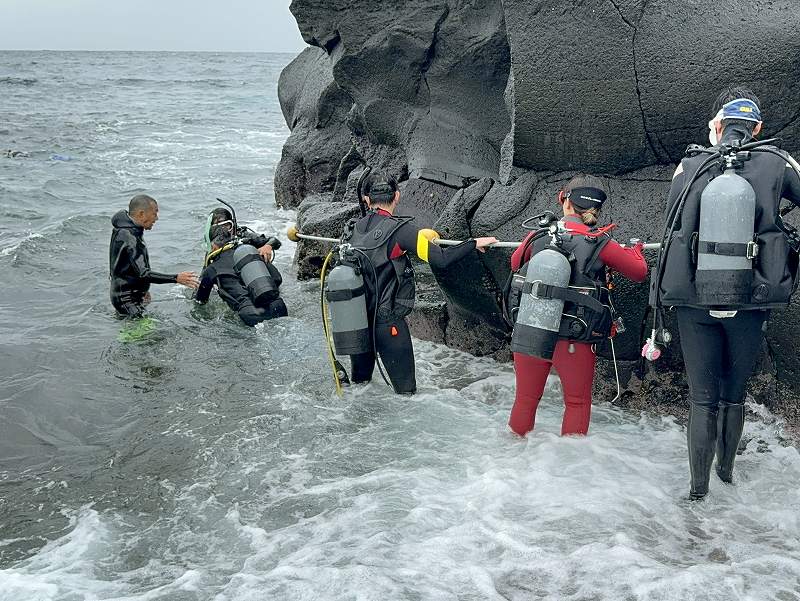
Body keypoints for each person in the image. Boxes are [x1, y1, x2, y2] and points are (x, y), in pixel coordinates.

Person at [649, 86, 800, 499]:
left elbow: (672, 222)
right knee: (734, 393)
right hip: (750, 299)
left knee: (702, 398)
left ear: (717, 125)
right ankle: (727, 476)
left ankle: (697, 495)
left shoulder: (691, 163)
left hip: (693, 298)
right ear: (758, 128)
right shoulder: (777, 162)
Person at [507, 175, 648, 436]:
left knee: (525, 401)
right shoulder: (601, 242)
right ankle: (568, 472)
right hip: (574, 338)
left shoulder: (538, 235)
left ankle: (511, 467)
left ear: (564, 200)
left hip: (531, 328)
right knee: (576, 403)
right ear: (596, 210)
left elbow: (515, 264)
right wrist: (636, 249)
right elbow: (639, 272)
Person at [341, 171, 497, 394]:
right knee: (406, 394)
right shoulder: (402, 231)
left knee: (359, 388)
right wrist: (472, 243)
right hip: (388, 324)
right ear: (397, 196)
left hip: (356, 322)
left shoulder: (350, 230)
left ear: (367, 200)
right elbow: (441, 259)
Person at [109, 194, 198, 317]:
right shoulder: (131, 238)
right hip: (127, 300)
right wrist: (176, 278)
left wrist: (142, 290)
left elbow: (119, 267)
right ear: (141, 214)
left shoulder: (124, 231)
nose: (156, 218)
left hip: (123, 297)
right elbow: (143, 273)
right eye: (154, 213)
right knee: (144, 334)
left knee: (134, 330)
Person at [195, 212, 287, 326]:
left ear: (213, 246)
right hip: (278, 306)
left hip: (250, 315)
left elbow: (200, 301)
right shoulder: (250, 253)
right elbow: (277, 279)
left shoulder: (211, 268)